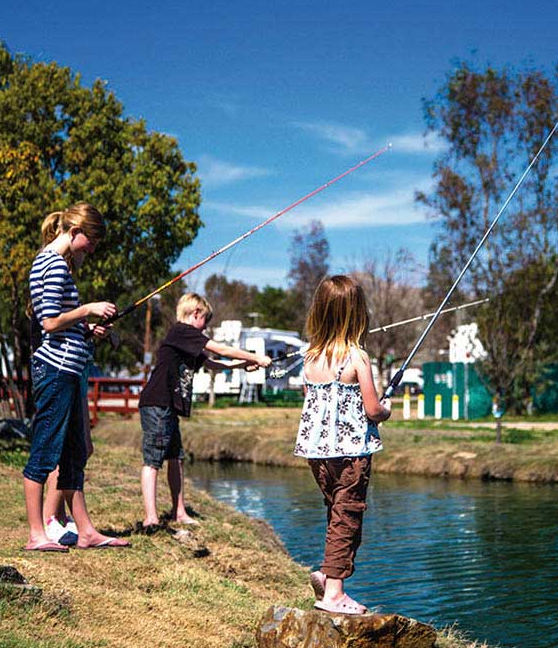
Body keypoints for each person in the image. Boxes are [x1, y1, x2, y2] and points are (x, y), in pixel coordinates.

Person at [23, 203, 130, 552]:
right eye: (92, 241)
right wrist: (88, 309)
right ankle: (37, 534)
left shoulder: (55, 264)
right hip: (55, 371)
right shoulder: (53, 264)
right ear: (74, 232)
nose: (92, 249)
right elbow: (50, 323)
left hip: (66, 369)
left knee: (73, 453)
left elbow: (62, 322)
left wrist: (88, 327)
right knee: (44, 451)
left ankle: (85, 531)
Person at [295, 275, 391, 615]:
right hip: (351, 454)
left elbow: (310, 401)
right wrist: (387, 411)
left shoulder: (310, 359)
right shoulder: (357, 357)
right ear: (358, 314)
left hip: (317, 455)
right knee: (348, 517)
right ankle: (334, 593)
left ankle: (327, 573)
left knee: (336, 513)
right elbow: (372, 409)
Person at [137, 293, 271, 529]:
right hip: (157, 403)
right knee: (153, 460)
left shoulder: (188, 342)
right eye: (205, 321)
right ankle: (151, 517)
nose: (206, 328)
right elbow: (221, 349)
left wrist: (244, 365)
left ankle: (179, 512)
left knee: (176, 459)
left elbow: (213, 363)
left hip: (169, 406)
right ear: (196, 314)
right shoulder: (182, 331)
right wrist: (255, 356)